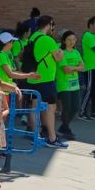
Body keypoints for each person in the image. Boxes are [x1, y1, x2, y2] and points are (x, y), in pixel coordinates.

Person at [25, 15, 67, 148]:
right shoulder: (48, 40)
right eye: (53, 25)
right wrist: (60, 51)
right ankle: (52, 138)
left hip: (32, 77)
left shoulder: (32, 37)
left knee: (34, 107)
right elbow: (58, 57)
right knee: (50, 107)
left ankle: (36, 136)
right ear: (49, 24)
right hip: (45, 79)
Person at [56, 30, 84, 141]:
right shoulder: (61, 52)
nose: (72, 42)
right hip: (64, 84)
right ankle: (66, 129)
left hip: (75, 85)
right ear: (64, 41)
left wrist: (74, 68)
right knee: (67, 107)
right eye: (69, 39)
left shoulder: (76, 52)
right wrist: (75, 68)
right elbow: (66, 69)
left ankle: (63, 127)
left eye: (74, 39)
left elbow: (83, 67)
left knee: (75, 107)